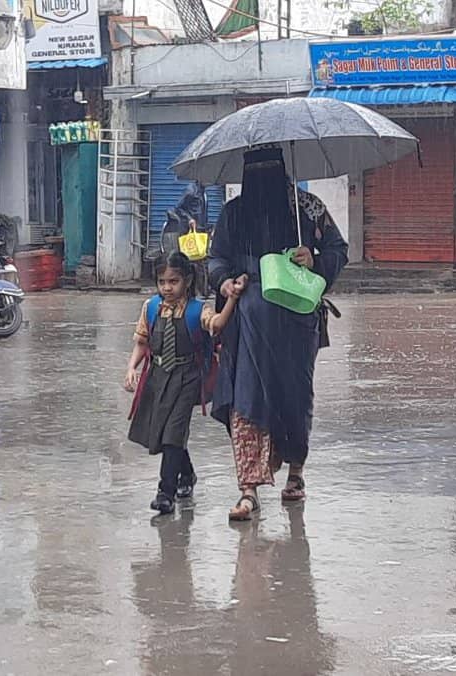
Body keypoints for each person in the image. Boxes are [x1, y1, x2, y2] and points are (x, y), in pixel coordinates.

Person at [207, 146, 349, 521]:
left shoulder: (308, 209)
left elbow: (338, 248)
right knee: (245, 399)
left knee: (293, 397)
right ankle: (248, 489)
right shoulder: (233, 214)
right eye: (256, 172)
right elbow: (216, 258)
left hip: (296, 324)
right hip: (245, 322)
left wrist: (313, 258)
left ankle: (296, 474)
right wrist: (225, 283)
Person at [125, 251, 239, 515]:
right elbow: (142, 341)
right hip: (157, 375)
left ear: (186, 280)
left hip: (188, 377)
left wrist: (231, 298)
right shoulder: (151, 307)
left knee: (174, 431)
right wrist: (132, 367)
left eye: (173, 281)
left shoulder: (199, 310)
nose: (167, 287)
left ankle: (165, 493)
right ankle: (186, 475)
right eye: (162, 281)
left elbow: (218, 324)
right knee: (163, 431)